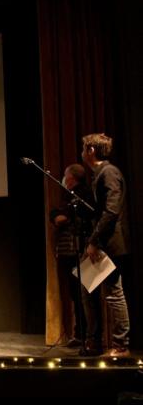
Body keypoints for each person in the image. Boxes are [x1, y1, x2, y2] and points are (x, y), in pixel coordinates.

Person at [81, 133, 131, 357]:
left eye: (84, 148)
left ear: (91, 151)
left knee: (113, 292)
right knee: (87, 287)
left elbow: (111, 211)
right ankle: (95, 340)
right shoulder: (99, 173)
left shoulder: (108, 172)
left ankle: (120, 345)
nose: (82, 152)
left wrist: (94, 241)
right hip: (103, 241)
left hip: (109, 243)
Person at [49, 164, 92, 348]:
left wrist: (60, 216)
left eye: (65, 176)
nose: (64, 179)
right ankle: (79, 333)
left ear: (72, 178)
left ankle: (87, 336)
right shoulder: (68, 197)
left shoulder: (81, 195)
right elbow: (55, 215)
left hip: (79, 249)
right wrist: (58, 215)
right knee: (75, 295)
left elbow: (62, 217)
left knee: (83, 294)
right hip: (67, 250)